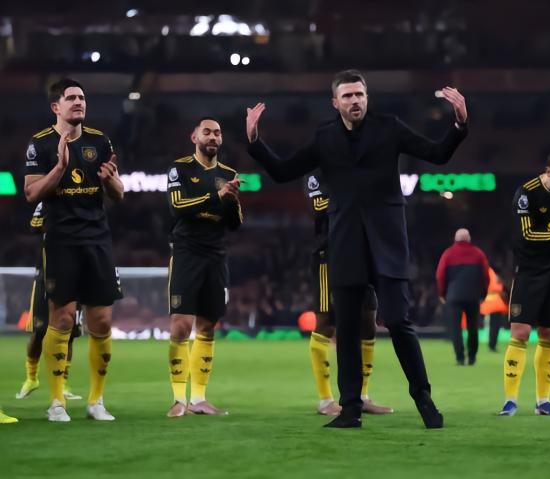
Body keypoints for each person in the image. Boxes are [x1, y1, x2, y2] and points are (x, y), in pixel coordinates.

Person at [246, 69, 468, 428]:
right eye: (348, 96)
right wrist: (255, 141)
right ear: (335, 102)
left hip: (388, 243)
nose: (355, 101)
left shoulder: (389, 127)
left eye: (360, 95)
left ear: (367, 98)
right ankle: (349, 410)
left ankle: (424, 400)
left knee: (398, 322)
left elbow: (437, 154)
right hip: (346, 243)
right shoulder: (325, 137)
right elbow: (285, 171)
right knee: (347, 329)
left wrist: (458, 123)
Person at [24, 78, 124, 422]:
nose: (79, 102)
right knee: (63, 317)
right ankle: (56, 402)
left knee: (102, 321)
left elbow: (119, 194)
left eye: (82, 97)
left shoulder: (100, 141)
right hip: (61, 240)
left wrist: (110, 180)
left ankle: (96, 401)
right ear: (57, 106)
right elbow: (31, 193)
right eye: (71, 98)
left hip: (97, 239)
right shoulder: (40, 144)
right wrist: (59, 169)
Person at [165, 117, 242, 417]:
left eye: (217, 133)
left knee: (208, 326)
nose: (213, 137)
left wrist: (232, 201)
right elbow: (177, 207)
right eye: (207, 132)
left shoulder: (229, 174)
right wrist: (217, 196)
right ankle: (178, 399)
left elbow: (235, 223)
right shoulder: (180, 169)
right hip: (187, 252)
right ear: (194, 136)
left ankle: (198, 398)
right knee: (181, 325)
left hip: (216, 255)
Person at [499, 149, 550, 417]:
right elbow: (526, 234)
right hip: (528, 271)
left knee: (548, 333)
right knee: (520, 332)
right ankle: (510, 401)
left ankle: (543, 402)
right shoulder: (527, 193)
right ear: (548, 172)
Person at [304, 171, 393, 416]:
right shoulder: (317, 173)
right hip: (328, 256)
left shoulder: (356, 168)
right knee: (326, 322)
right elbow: (319, 207)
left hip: (362, 254)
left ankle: (362, 396)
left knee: (368, 322)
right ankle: (325, 400)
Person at [16, 203, 82, 401]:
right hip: (46, 273)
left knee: (70, 333)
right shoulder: (47, 201)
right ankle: (31, 378)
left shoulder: (83, 198)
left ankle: (63, 382)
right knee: (39, 331)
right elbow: (34, 227)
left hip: (75, 272)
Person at [435, 228, 490, 365]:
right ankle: (472, 357)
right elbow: (486, 275)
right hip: (473, 296)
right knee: (473, 327)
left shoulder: (448, 254)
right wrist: (483, 293)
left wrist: (442, 293)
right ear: (469, 239)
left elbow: (440, 275)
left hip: (453, 296)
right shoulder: (478, 253)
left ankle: (460, 358)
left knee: (456, 328)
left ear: (455, 239)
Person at [481, 267, 508, 352]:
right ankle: (492, 345)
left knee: (493, 325)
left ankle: (492, 345)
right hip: (494, 302)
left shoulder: (489, 271)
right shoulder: (492, 271)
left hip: (491, 301)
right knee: (494, 325)